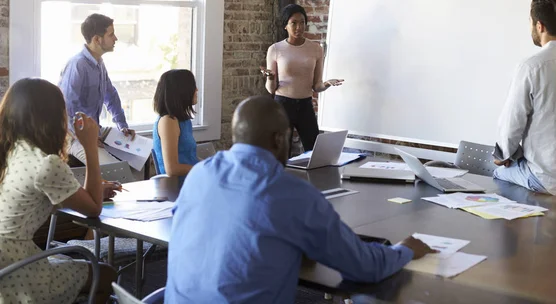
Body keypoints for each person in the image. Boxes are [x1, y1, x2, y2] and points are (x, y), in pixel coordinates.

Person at [165, 96, 435, 303]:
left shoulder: (201, 173)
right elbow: (365, 268)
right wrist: (404, 249)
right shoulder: (292, 194)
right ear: (279, 139)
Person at [0, 78, 119, 303]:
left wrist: (91, 193)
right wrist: (90, 147)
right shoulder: (46, 163)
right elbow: (93, 210)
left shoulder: (12, 150)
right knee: (106, 275)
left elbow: (37, 197)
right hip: (15, 267)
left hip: (6, 260)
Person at [493, 0, 556, 195]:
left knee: (498, 172)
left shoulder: (531, 67)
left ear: (539, 26)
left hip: (547, 180)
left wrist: (504, 154)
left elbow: (513, 123)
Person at [262, 4, 344, 154]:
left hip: (305, 105)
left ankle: (311, 178)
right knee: (281, 152)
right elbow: (271, 89)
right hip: (283, 104)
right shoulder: (275, 49)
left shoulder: (315, 49)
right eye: (294, 23)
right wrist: (271, 78)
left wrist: (327, 83)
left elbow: (316, 86)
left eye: (302, 23)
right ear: (285, 26)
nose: (299, 27)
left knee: (314, 151)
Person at [58, 13, 135, 165]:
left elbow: (111, 96)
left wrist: (122, 126)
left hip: (94, 130)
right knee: (117, 171)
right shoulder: (78, 65)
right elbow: (66, 109)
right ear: (97, 39)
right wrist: (86, 139)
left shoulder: (99, 63)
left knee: (140, 152)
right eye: (111, 34)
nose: (115, 38)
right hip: (74, 138)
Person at [152, 69, 200, 177]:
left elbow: (190, 158)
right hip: (176, 187)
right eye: (193, 86)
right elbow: (172, 169)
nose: (196, 89)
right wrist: (205, 169)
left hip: (192, 180)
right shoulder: (168, 121)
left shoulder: (184, 121)